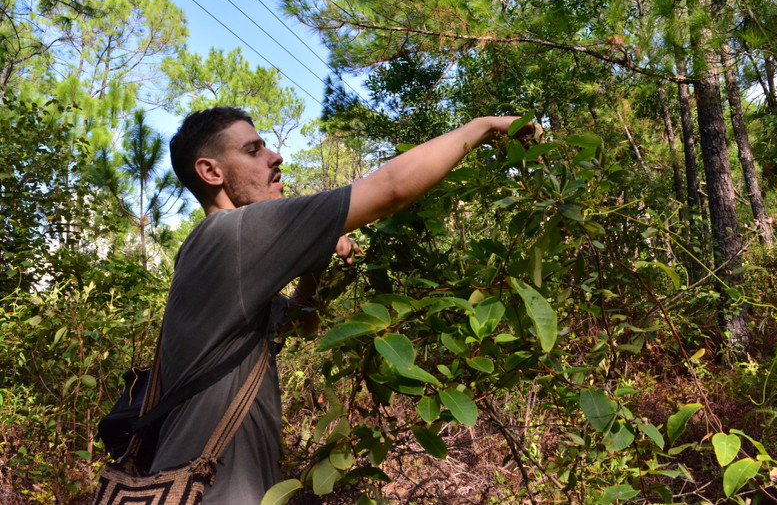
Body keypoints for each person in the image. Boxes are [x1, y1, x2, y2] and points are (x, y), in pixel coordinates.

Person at [150, 106, 526, 504]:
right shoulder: (232, 234)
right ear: (212, 173)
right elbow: (391, 188)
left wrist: (314, 265)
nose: (275, 156)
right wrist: (481, 125)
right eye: (253, 150)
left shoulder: (214, 254)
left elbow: (301, 325)